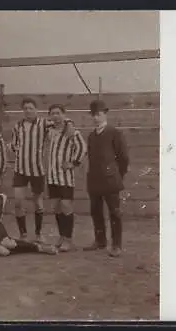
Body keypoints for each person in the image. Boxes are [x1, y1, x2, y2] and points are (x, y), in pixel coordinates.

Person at [84, 100, 129, 257]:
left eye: (99, 114)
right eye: (94, 115)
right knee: (95, 211)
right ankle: (100, 240)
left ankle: (116, 245)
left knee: (114, 212)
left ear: (105, 114)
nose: (96, 118)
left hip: (110, 180)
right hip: (94, 180)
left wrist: (117, 175)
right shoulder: (91, 136)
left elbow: (124, 158)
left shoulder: (115, 133)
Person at [10, 97, 54, 242]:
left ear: (36, 109)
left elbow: (61, 123)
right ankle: (23, 234)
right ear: (23, 110)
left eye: (31, 108)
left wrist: (68, 124)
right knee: (17, 202)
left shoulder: (44, 123)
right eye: (26, 108)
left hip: (37, 170)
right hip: (20, 169)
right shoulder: (18, 126)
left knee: (37, 202)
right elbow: (14, 144)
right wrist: (12, 147)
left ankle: (38, 233)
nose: (28, 111)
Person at [46, 104, 87, 252]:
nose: (55, 116)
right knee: (56, 206)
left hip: (65, 177)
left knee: (66, 205)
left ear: (64, 114)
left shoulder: (72, 132)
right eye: (52, 113)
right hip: (52, 176)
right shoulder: (49, 129)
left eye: (58, 113)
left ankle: (68, 239)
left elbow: (82, 147)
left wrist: (73, 163)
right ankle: (62, 236)